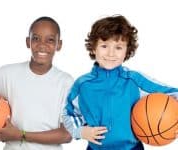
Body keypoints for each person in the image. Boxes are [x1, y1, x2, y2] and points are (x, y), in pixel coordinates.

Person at [62, 15, 178, 150]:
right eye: (104, 46)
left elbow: (173, 93)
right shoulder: (82, 85)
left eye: (118, 47)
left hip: (132, 148)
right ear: (94, 48)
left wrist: (173, 121)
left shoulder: (135, 80)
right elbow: (67, 114)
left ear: (127, 51)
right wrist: (80, 131)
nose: (111, 53)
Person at [0, 16, 73, 150]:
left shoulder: (66, 82)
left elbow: (67, 134)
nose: (42, 45)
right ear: (28, 42)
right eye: (36, 38)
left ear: (59, 45)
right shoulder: (7, 74)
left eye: (50, 40)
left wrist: (20, 135)